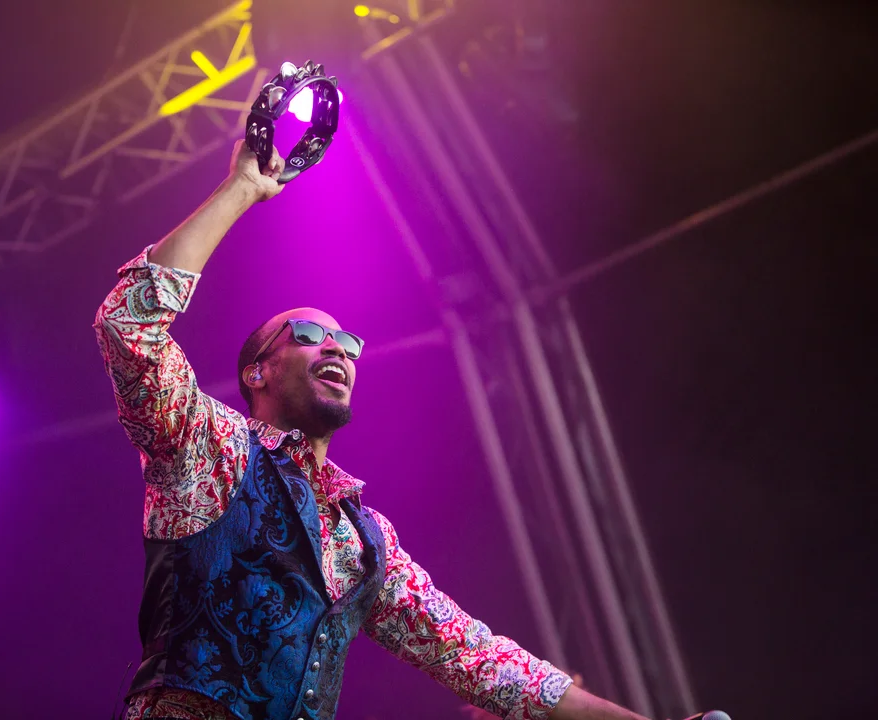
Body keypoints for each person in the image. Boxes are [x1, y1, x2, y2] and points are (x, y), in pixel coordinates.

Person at [94, 140, 650, 720]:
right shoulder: (209, 445)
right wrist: (242, 189)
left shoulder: (362, 538)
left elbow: (480, 660)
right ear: (256, 372)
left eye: (347, 342)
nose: (336, 347)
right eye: (308, 335)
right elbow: (128, 324)